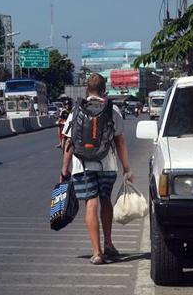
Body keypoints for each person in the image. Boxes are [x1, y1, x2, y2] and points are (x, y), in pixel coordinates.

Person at [60, 73, 133, 265]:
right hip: (107, 165)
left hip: (81, 165)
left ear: (86, 89)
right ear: (104, 89)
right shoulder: (112, 109)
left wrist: (64, 169)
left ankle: (97, 252)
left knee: (90, 204)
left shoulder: (76, 109)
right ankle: (109, 243)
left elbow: (68, 142)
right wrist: (126, 168)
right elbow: (120, 141)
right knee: (105, 200)